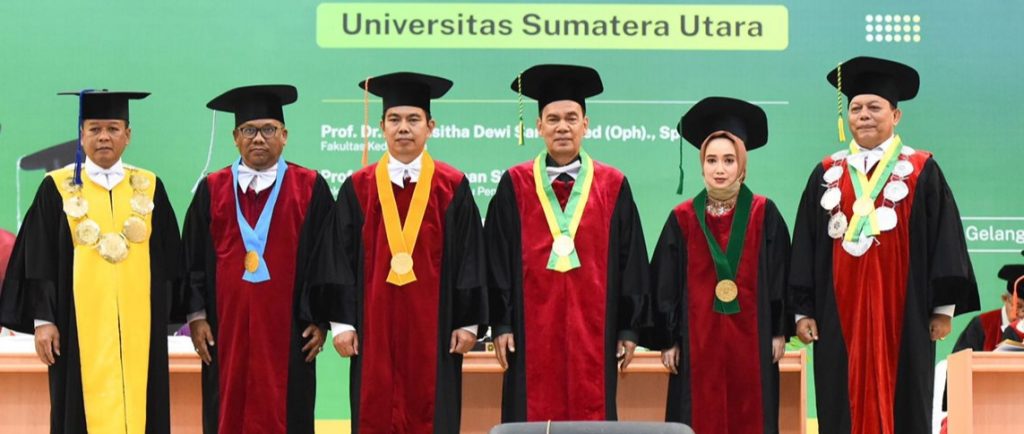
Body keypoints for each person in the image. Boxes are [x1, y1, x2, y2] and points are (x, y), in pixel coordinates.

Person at [789, 56, 979, 434]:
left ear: (896, 115)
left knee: (906, 400)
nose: (864, 115)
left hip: (906, 314)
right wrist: (802, 311)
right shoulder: (827, 173)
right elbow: (806, 247)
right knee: (839, 401)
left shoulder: (921, 170)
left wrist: (942, 309)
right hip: (837, 315)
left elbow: (944, 241)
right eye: (856, 108)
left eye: (874, 107)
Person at [312, 72, 487, 434]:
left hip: (435, 333)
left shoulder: (452, 187)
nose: (403, 128)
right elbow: (338, 258)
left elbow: (470, 256)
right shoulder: (358, 188)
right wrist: (342, 324)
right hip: (373, 331)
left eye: (413, 119)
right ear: (381, 127)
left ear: (430, 127)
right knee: (374, 409)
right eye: (394, 119)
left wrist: (468, 322)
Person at [0, 90, 181, 434]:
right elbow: (39, 259)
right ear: (81, 135)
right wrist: (44, 320)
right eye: (95, 129)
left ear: (128, 135)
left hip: (139, 329)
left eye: (113, 128)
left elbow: (169, 260)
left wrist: (167, 316)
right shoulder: (57, 188)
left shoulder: (148, 187)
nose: (104, 137)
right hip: (76, 328)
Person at [486, 64, 650, 422]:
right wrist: (502, 323)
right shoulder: (515, 184)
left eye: (571, 118)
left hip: (595, 334)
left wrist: (628, 327)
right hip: (529, 334)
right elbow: (496, 260)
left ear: (585, 124)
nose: (562, 127)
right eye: (553, 119)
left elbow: (631, 261)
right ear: (539, 126)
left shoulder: (613, 185)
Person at [182, 85, 334, 434]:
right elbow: (193, 257)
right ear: (235, 137)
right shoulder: (212, 189)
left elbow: (325, 259)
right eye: (249, 130)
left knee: (287, 410)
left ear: (284, 135)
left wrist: (320, 319)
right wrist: (197, 316)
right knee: (227, 407)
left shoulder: (309, 187)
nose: (259, 138)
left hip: (290, 330)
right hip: (226, 329)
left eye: (268, 129)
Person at [644, 97, 790, 433]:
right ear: (702, 165)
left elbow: (779, 274)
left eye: (728, 160)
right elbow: (665, 284)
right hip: (697, 345)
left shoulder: (764, 214)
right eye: (711, 160)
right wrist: (668, 339)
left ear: (742, 165)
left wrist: (778, 330)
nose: (719, 169)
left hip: (753, 343)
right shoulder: (682, 219)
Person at [951, 263, 1024, 352]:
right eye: (1018, 306)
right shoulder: (983, 324)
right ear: (1005, 299)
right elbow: (960, 357)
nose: (1021, 313)